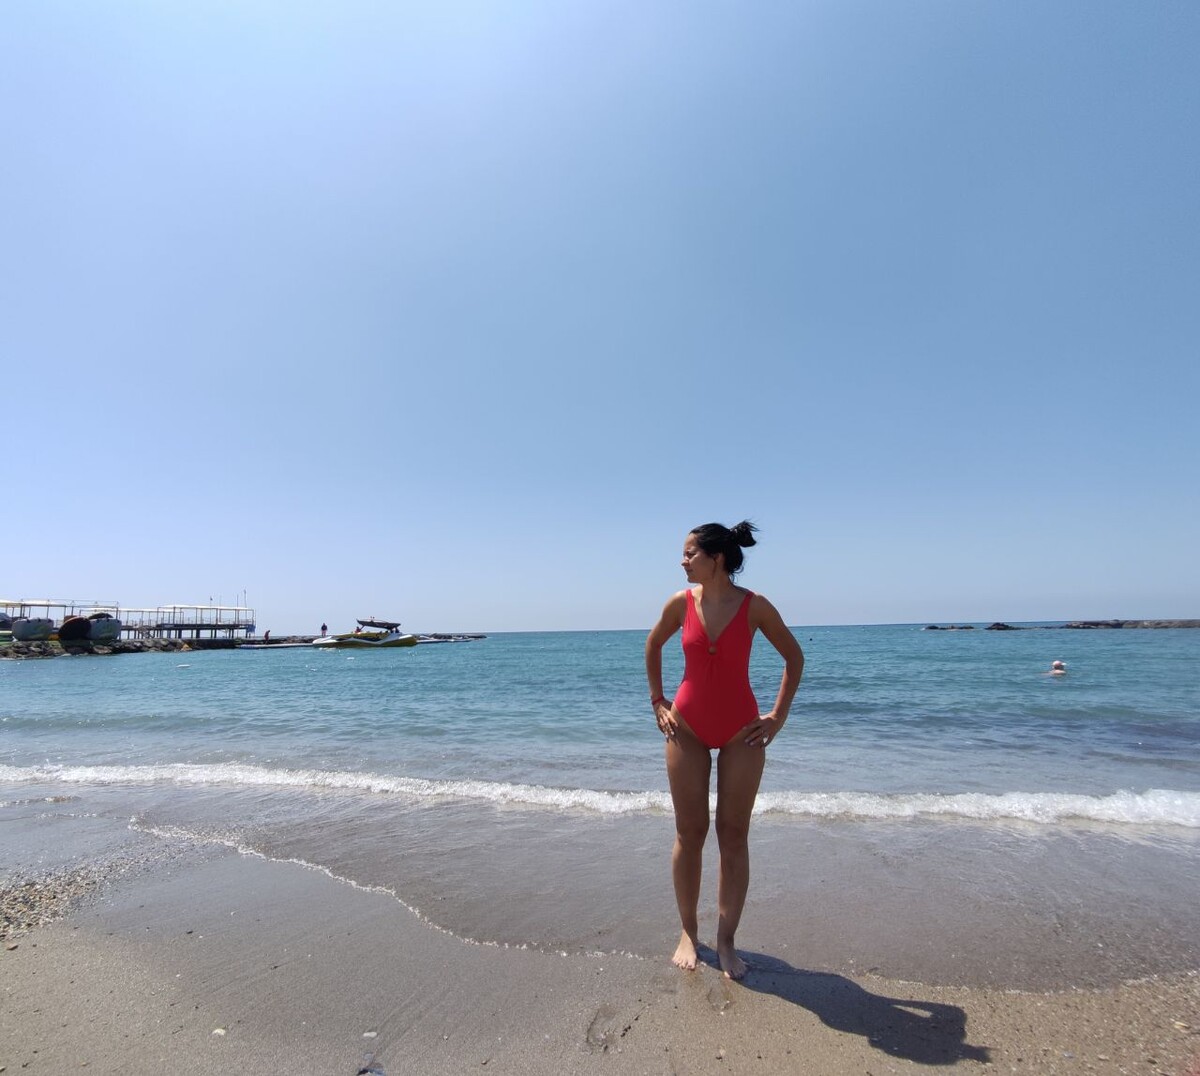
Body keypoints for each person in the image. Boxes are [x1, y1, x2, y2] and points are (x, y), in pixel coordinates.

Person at [645, 521, 805, 980]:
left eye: (690, 553)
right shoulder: (680, 604)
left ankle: (726, 941)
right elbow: (652, 645)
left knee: (733, 835)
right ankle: (688, 933)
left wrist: (777, 717)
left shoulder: (755, 607)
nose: (682, 561)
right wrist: (658, 702)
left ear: (716, 558)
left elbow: (794, 658)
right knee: (689, 832)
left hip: (741, 733)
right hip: (687, 729)